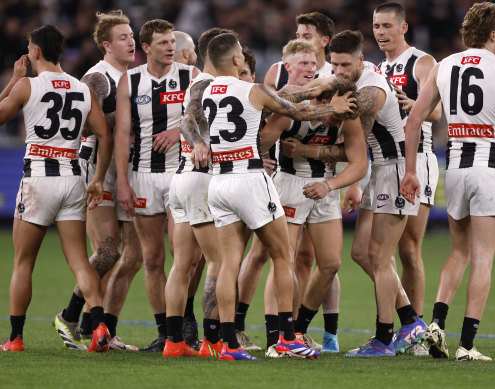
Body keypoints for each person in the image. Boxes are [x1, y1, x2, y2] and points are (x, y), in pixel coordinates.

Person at [194, 32, 355, 360]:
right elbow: (294, 111)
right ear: (237, 60)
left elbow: (192, 122)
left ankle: (228, 344)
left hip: (218, 180)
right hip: (250, 177)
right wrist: (334, 104)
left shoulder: (204, 91)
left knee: (228, 263)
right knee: (283, 256)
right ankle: (285, 338)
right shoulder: (253, 90)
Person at [284, 30, 427, 357]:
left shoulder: (371, 93)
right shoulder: (341, 77)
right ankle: (411, 321)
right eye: (334, 64)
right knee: (362, 254)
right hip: (380, 171)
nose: (339, 71)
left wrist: (306, 150)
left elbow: (351, 152)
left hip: (396, 171)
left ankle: (383, 339)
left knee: (380, 257)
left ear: (361, 61)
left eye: (345, 65)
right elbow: (315, 89)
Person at [399, 2, 495, 361]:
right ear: (492, 33)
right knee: (483, 258)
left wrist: (411, 170)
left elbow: (414, 121)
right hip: (489, 166)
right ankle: (466, 345)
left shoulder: (443, 66)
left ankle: (436, 325)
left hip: (454, 166)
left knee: (459, 252)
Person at [0, 25, 113, 353]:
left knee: (24, 262)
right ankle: (100, 322)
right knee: (79, 261)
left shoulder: (27, 85)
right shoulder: (81, 89)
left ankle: (15, 339)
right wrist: (97, 180)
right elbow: (103, 135)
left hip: (38, 179)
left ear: (34, 52)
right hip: (73, 179)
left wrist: (11, 81)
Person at [349, 1, 442, 356]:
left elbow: (439, 112)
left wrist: (415, 105)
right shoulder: (374, 68)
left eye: (387, 26)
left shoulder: (422, 62)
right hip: (382, 163)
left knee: (407, 249)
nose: (381, 32)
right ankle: (409, 325)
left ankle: (410, 331)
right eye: (376, 26)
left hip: (414, 161)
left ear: (404, 28)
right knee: (365, 253)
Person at [261, 68, 367, 358]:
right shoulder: (296, 109)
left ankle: (298, 330)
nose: (339, 119)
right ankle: (276, 337)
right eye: (337, 111)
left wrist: (329, 185)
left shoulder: (348, 112)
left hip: (324, 185)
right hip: (290, 185)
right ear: (325, 99)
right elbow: (263, 138)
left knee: (331, 264)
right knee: (285, 261)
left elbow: (360, 163)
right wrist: (263, 162)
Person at [52, 9, 140, 352]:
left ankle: (100, 329)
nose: (131, 41)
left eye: (131, 35)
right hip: (95, 167)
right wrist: (125, 116)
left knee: (133, 255)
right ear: (106, 45)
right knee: (106, 251)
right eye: (123, 37)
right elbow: (84, 126)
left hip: (128, 169)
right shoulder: (98, 78)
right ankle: (70, 316)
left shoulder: (132, 76)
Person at [115, 19, 195, 352]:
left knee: (183, 255)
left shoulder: (191, 76)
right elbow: (121, 133)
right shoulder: (130, 81)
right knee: (150, 258)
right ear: (146, 48)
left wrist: (178, 131)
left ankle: (183, 327)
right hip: (143, 174)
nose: (170, 47)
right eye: (162, 43)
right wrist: (122, 182)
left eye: (171, 42)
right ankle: (165, 332)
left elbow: (204, 118)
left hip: (181, 174)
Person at [162, 27, 233, 358]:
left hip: (180, 180)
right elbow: (188, 121)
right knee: (217, 261)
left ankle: (174, 342)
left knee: (184, 264)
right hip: (199, 178)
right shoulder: (206, 83)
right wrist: (200, 143)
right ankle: (212, 342)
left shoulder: (200, 83)